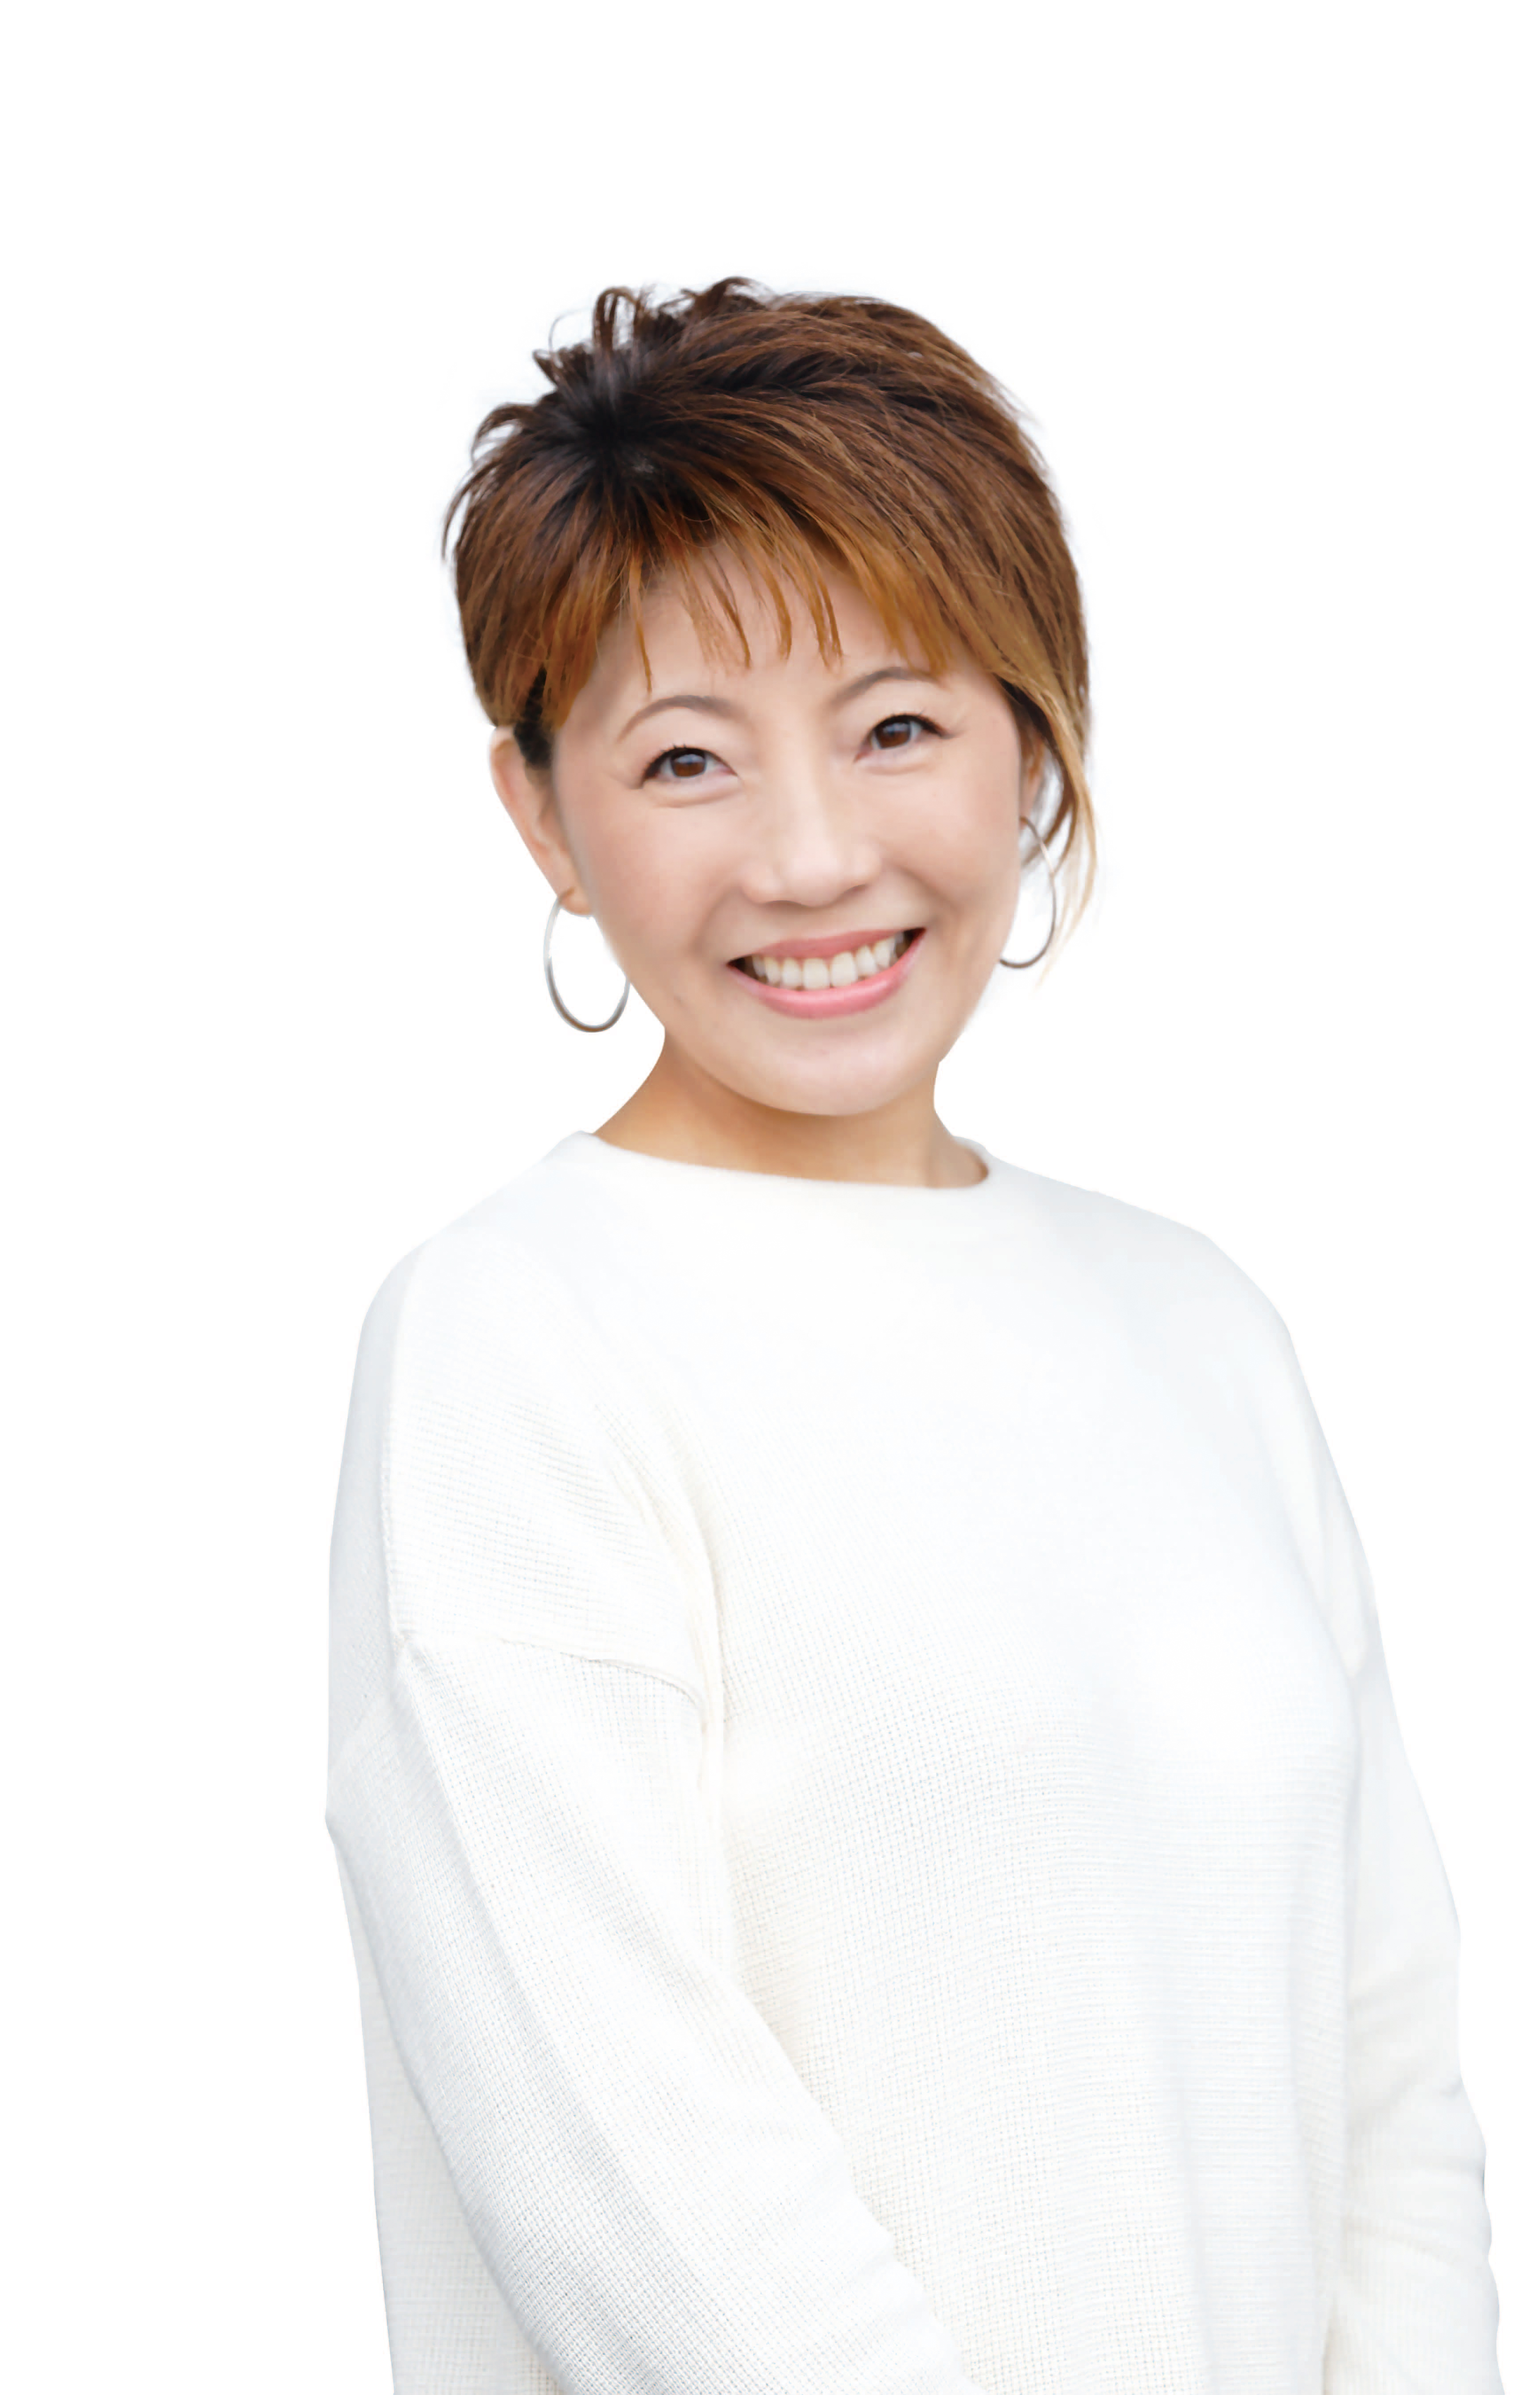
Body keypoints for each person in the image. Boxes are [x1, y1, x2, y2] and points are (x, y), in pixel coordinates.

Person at [324, 278, 1502, 2394]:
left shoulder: (1198, 1329)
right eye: (685, 759)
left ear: (1030, 741)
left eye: (894, 728)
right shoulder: (516, 1342)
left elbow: (1383, 2092)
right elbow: (626, 2170)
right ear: (542, 815)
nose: (808, 858)